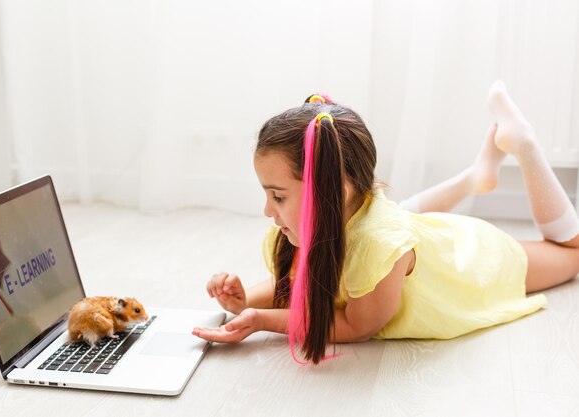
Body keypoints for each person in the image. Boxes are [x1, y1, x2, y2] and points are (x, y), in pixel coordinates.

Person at [191, 83, 579, 364]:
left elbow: (356, 325)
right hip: (404, 237)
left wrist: (263, 319)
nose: (267, 211)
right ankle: (474, 177)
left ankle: (525, 145)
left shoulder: (380, 246)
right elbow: (297, 282)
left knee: (572, 251)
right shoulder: (331, 216)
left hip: (470, 260)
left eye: (278, 196)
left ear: (333, 189)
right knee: (391, 224)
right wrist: (247, 299)